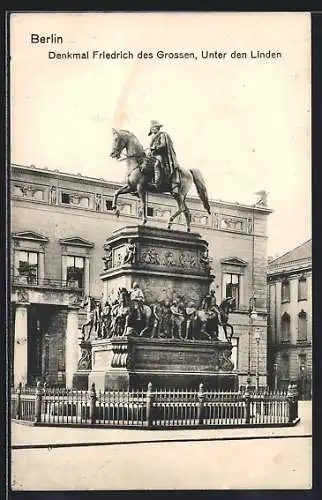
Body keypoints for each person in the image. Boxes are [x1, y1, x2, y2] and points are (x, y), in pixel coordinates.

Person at [148, 120, 180, 193]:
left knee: (156, 164)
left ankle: (156, 184)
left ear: (157, 128)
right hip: (153, 155)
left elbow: (163, 144)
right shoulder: (152, 137)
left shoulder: (162, 135)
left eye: (154, 128)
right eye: (152, 128)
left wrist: (155, 147)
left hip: (161, 155)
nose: (153, 129)